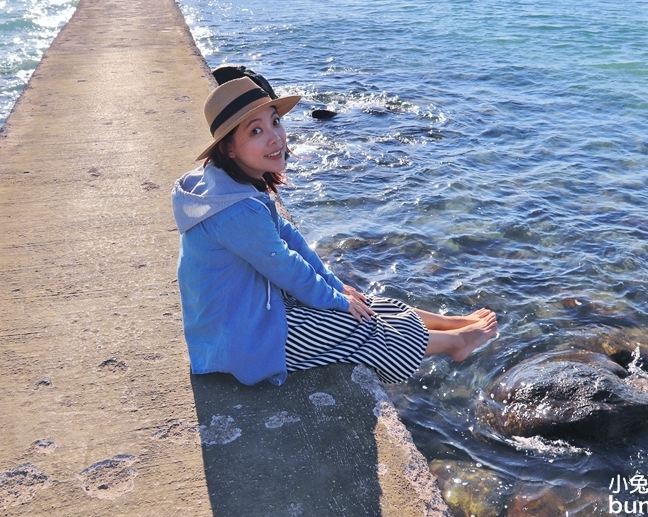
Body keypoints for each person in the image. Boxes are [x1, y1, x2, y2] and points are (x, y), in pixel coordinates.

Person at [171, 71, 499, 386]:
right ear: (229, 148)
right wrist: (336, 299)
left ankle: (453, 325)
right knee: (356, 324)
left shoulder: (227, 185)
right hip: (238, 341)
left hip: (247, 313)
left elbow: (288, 239)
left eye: (275, 121)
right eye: (255, 132)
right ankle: (455, 343)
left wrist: (335, 286)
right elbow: (284, 266)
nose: (275, 138)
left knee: (356, 300)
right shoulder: (235, 210)